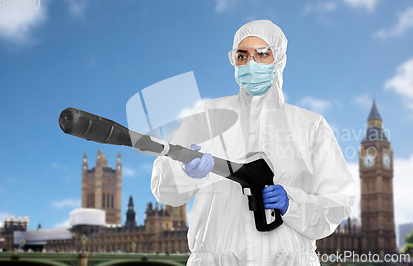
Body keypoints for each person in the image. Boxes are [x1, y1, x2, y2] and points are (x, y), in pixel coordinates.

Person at [151, 19, 356, 266]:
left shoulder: (310, 125)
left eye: (261, 54)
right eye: (242, 55)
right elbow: (164, 191)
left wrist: (292, 204)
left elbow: (338, 201)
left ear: (278, 59)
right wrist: (183, 171)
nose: (250, 63)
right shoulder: (209, 116)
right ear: (233, 61)